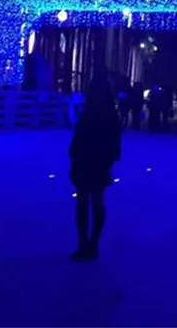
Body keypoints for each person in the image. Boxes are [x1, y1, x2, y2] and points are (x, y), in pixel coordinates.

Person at [68, 78, 122, 261]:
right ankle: (91, 243)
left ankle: (85, 243)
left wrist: (74, 155)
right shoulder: (109, 114)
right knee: (95, 202)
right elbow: (114, 143)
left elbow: (79, 139)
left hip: (87, 161)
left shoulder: (89, 113)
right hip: (98, 163)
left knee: (84, 203)